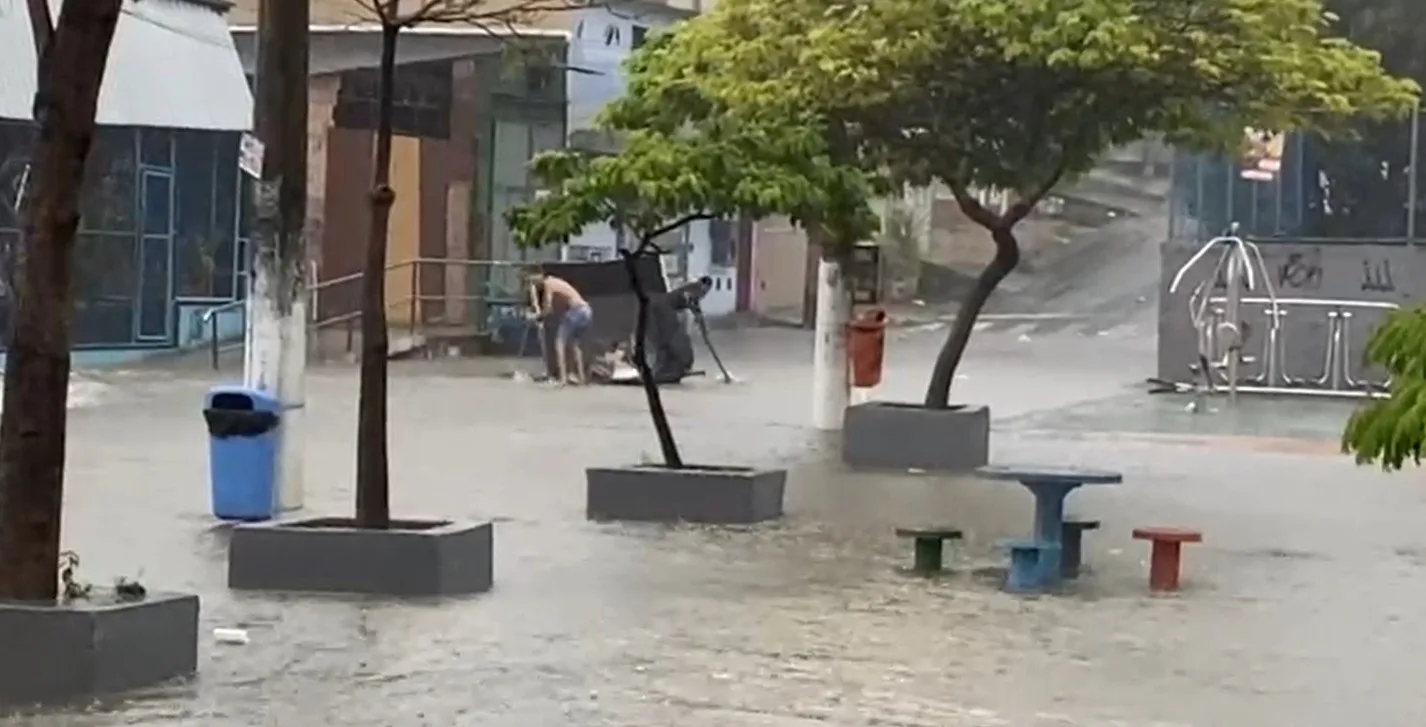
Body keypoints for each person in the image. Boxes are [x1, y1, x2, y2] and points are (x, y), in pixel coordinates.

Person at [527, 269, 593, 384]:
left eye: (533, 280)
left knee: (559, 343)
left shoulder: (548, 284)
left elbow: (548, 307)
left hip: (576, 311)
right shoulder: (557, 282)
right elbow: (558, 307)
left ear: (540, 276)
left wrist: (538, 316)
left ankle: (563, 379)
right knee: (574, 345)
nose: (533, 283)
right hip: (586, 310)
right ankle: (581, 378)